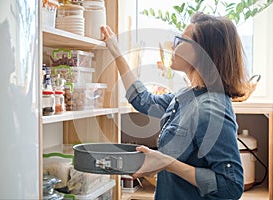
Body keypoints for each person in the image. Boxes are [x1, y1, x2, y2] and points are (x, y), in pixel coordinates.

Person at [101, 12, 248, 200]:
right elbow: (144, 101)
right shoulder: (188, 96)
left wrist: (166, 162)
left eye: (180, 40)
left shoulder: (211, 110)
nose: (173, 45)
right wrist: (118, 53)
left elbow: (231, 187)